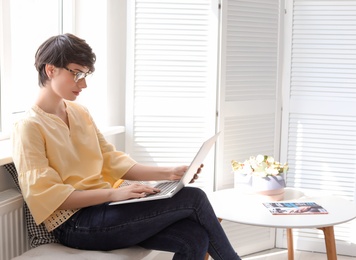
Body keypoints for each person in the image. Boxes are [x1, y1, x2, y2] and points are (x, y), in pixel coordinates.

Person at [11, 33, 241, 260]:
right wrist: (115, 193)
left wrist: (169, 173)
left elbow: (112, 160)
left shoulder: (80, 112)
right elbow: (48, 195)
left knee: (194, 238)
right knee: (194, 198)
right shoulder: (29, 126)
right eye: (77, 74)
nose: (84, 84)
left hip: (107, 209)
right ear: (51, 70)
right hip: (74, 224)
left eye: (86, 74)